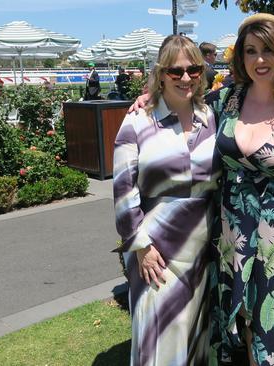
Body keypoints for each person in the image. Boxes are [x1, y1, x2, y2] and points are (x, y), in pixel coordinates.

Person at [129, 13, 274, 365]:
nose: (259, 59)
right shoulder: (225, 101)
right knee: (248, 325)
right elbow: (182, 96)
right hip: (234, 236)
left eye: (268, 50)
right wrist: (149, 96)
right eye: (251, 50)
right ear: (240, 56)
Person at [113, 35, 219, 365]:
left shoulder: (210, 117)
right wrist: (141, 247)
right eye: (175, 71)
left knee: (194, 337)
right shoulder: (138, 121)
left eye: (194, 70)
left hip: (201, 250)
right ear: (160, 74)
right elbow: (123, 189)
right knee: (156, 336)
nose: (185, 78)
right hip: (155, 250)